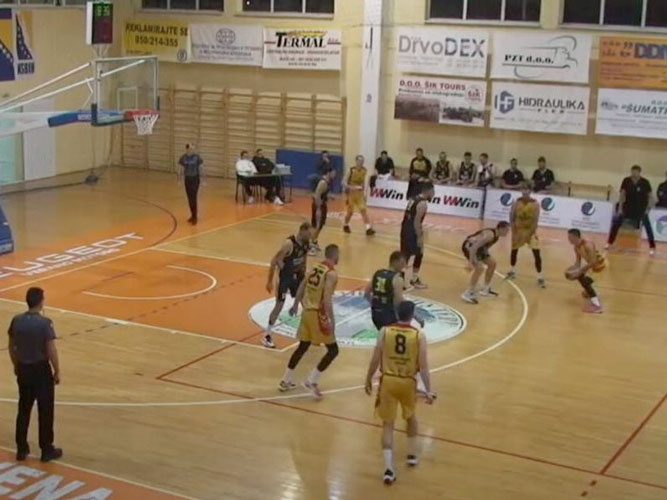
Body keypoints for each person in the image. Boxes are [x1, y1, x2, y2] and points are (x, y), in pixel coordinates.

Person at [365, 301, 435, 485]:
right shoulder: (418, 335)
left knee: (388, 424)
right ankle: (412, 455)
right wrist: (429, 390)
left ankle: (388, 469)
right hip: (408, 382)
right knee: (411, 417)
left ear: (397, 313)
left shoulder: (385, 331)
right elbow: (424, 366)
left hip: (388, 381)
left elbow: (375, 359)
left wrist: (368, 378)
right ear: (412, 315)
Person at [8, 287, 62, 462]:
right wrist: (57, 370)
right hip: (40, 370)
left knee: (24, 408)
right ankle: (46, 449)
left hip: (23, 369)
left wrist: (16, 365)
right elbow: (51, 349)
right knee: (45, 410)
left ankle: (21, 448)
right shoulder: (45, 323)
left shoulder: (16, 320)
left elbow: (11, 346)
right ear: (41, 301)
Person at [279, 244, 340, 399]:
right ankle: (311, 381)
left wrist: (295, 304)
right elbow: (327, 298)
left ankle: (286, 380)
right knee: (333, 350)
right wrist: (332, 319)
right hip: (317, 313)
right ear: (335, 255)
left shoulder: (316, 267)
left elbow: (302, 285)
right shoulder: (331, 273)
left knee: (303, 346)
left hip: (306, 311)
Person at [264, 222, 311, 349]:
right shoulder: (289, 244)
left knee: (306, 302)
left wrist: (304, 278)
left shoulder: (306, 244)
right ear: (302, 230)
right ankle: (267, 335)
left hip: (297, 277)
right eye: (309, 233)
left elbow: (304, 260)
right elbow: (274, 261)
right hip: (284, 278)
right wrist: (269, 281)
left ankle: (308, 332)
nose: (310, 236)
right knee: (279, 305)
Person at [606, 165, 656, 255]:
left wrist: (648, 209)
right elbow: (622, 194)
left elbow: (650, 196)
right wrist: (620, 208)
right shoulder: (626, 181)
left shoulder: (645, 182)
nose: (634, 173)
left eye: (636, 172)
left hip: (641, 209)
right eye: (632, 172)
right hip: (627, 208)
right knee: (616, 224)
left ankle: (652, 247)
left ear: (639, 172)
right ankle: (609, 243)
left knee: (648, 228)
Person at [506, 183, 545, 288]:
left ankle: (540, 276)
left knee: (536, 253)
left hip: (530, 230)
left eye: (527, 189)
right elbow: (512, 215)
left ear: (530, 191)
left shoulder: (535, 204)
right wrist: (513, 229)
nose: (525, 191)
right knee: (514, 250)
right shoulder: (516, 202)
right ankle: (512, 270)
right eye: (523, 189)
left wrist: (531, 231)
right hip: (518, 229)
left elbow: (535, 219)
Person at [461, 222, 510, 304]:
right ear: (501, 229)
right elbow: (474, 247)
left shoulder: (496, 236)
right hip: (469, 247)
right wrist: (470, 262)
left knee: (492, 263)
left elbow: (484, 247)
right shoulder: (489, 236)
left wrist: (485, 256)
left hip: (480, 248)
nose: (508, 233)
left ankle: (485, 289)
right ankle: (468, 293)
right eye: (507, 230)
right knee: (479, 268)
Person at [401, 182, 434, 290]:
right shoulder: (423, 203)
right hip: (412, 231)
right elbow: (416, 221)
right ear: (428, 191)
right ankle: (413, 280)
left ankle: (402, 280)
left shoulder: (413, 199)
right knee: (419, 253)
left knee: (405, 255)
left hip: (404, 228)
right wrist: (419, 236)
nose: (433, 194)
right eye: (432, 192)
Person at [565, 229, 606, 314]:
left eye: (569, 237)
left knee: (585, 280)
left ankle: (597, 306)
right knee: (580, 275)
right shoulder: (576, 247)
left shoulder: (588, 245)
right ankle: (590, 291)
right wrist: (571, 271)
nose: (568, 239)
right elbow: (577, 263)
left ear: (575, 237)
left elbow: (593, 262)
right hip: (593, 265)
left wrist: (579, 271)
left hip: (600, 266)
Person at [365, 251, 407, 330]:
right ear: (395, 262)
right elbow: (398, 301)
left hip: (375, 314)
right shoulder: (397, 279)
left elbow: (366, 292)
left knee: (381, 334)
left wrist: (374, 304)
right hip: (389, 315)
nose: (404, 266)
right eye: (402, 263)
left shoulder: (378, 273)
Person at [343, 155, 376, 235]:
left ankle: (368, 228)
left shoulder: (364, 170)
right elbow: (344, 182)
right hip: (351, 193)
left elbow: (363, 181)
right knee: (350, 212)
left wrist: (363, 189)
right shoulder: (351, 170)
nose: (361, 162)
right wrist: (351, 187)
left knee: (363, 210)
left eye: (362, 161)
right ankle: (345, 225)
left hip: (359, 193)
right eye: (360, 161)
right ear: (356, 161)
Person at [310, 167, 336, 256]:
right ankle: (311, 246)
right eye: (333, 173)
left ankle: (314, 242)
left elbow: (323, 194)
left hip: (322, 205)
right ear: (328, 173)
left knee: (320, 226)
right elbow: (317, 195)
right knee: (317, 226)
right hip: (319, 206)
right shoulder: (323, 182)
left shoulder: (328, 182)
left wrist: (329, 196)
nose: (334, 175)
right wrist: (318, 209)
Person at [178, 143, 204, 224]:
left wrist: (202, 179)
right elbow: (181, 169)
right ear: (187, 149)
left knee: (193, 197)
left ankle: (195, 217)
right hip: (187, 179)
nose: (193, 150)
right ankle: (192, 215)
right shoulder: (183, 157)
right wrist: (180, 179)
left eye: (193, 148)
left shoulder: (197, 157)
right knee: (189, 198)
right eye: (191, 148)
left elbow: (201, 168)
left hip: (195, 179)